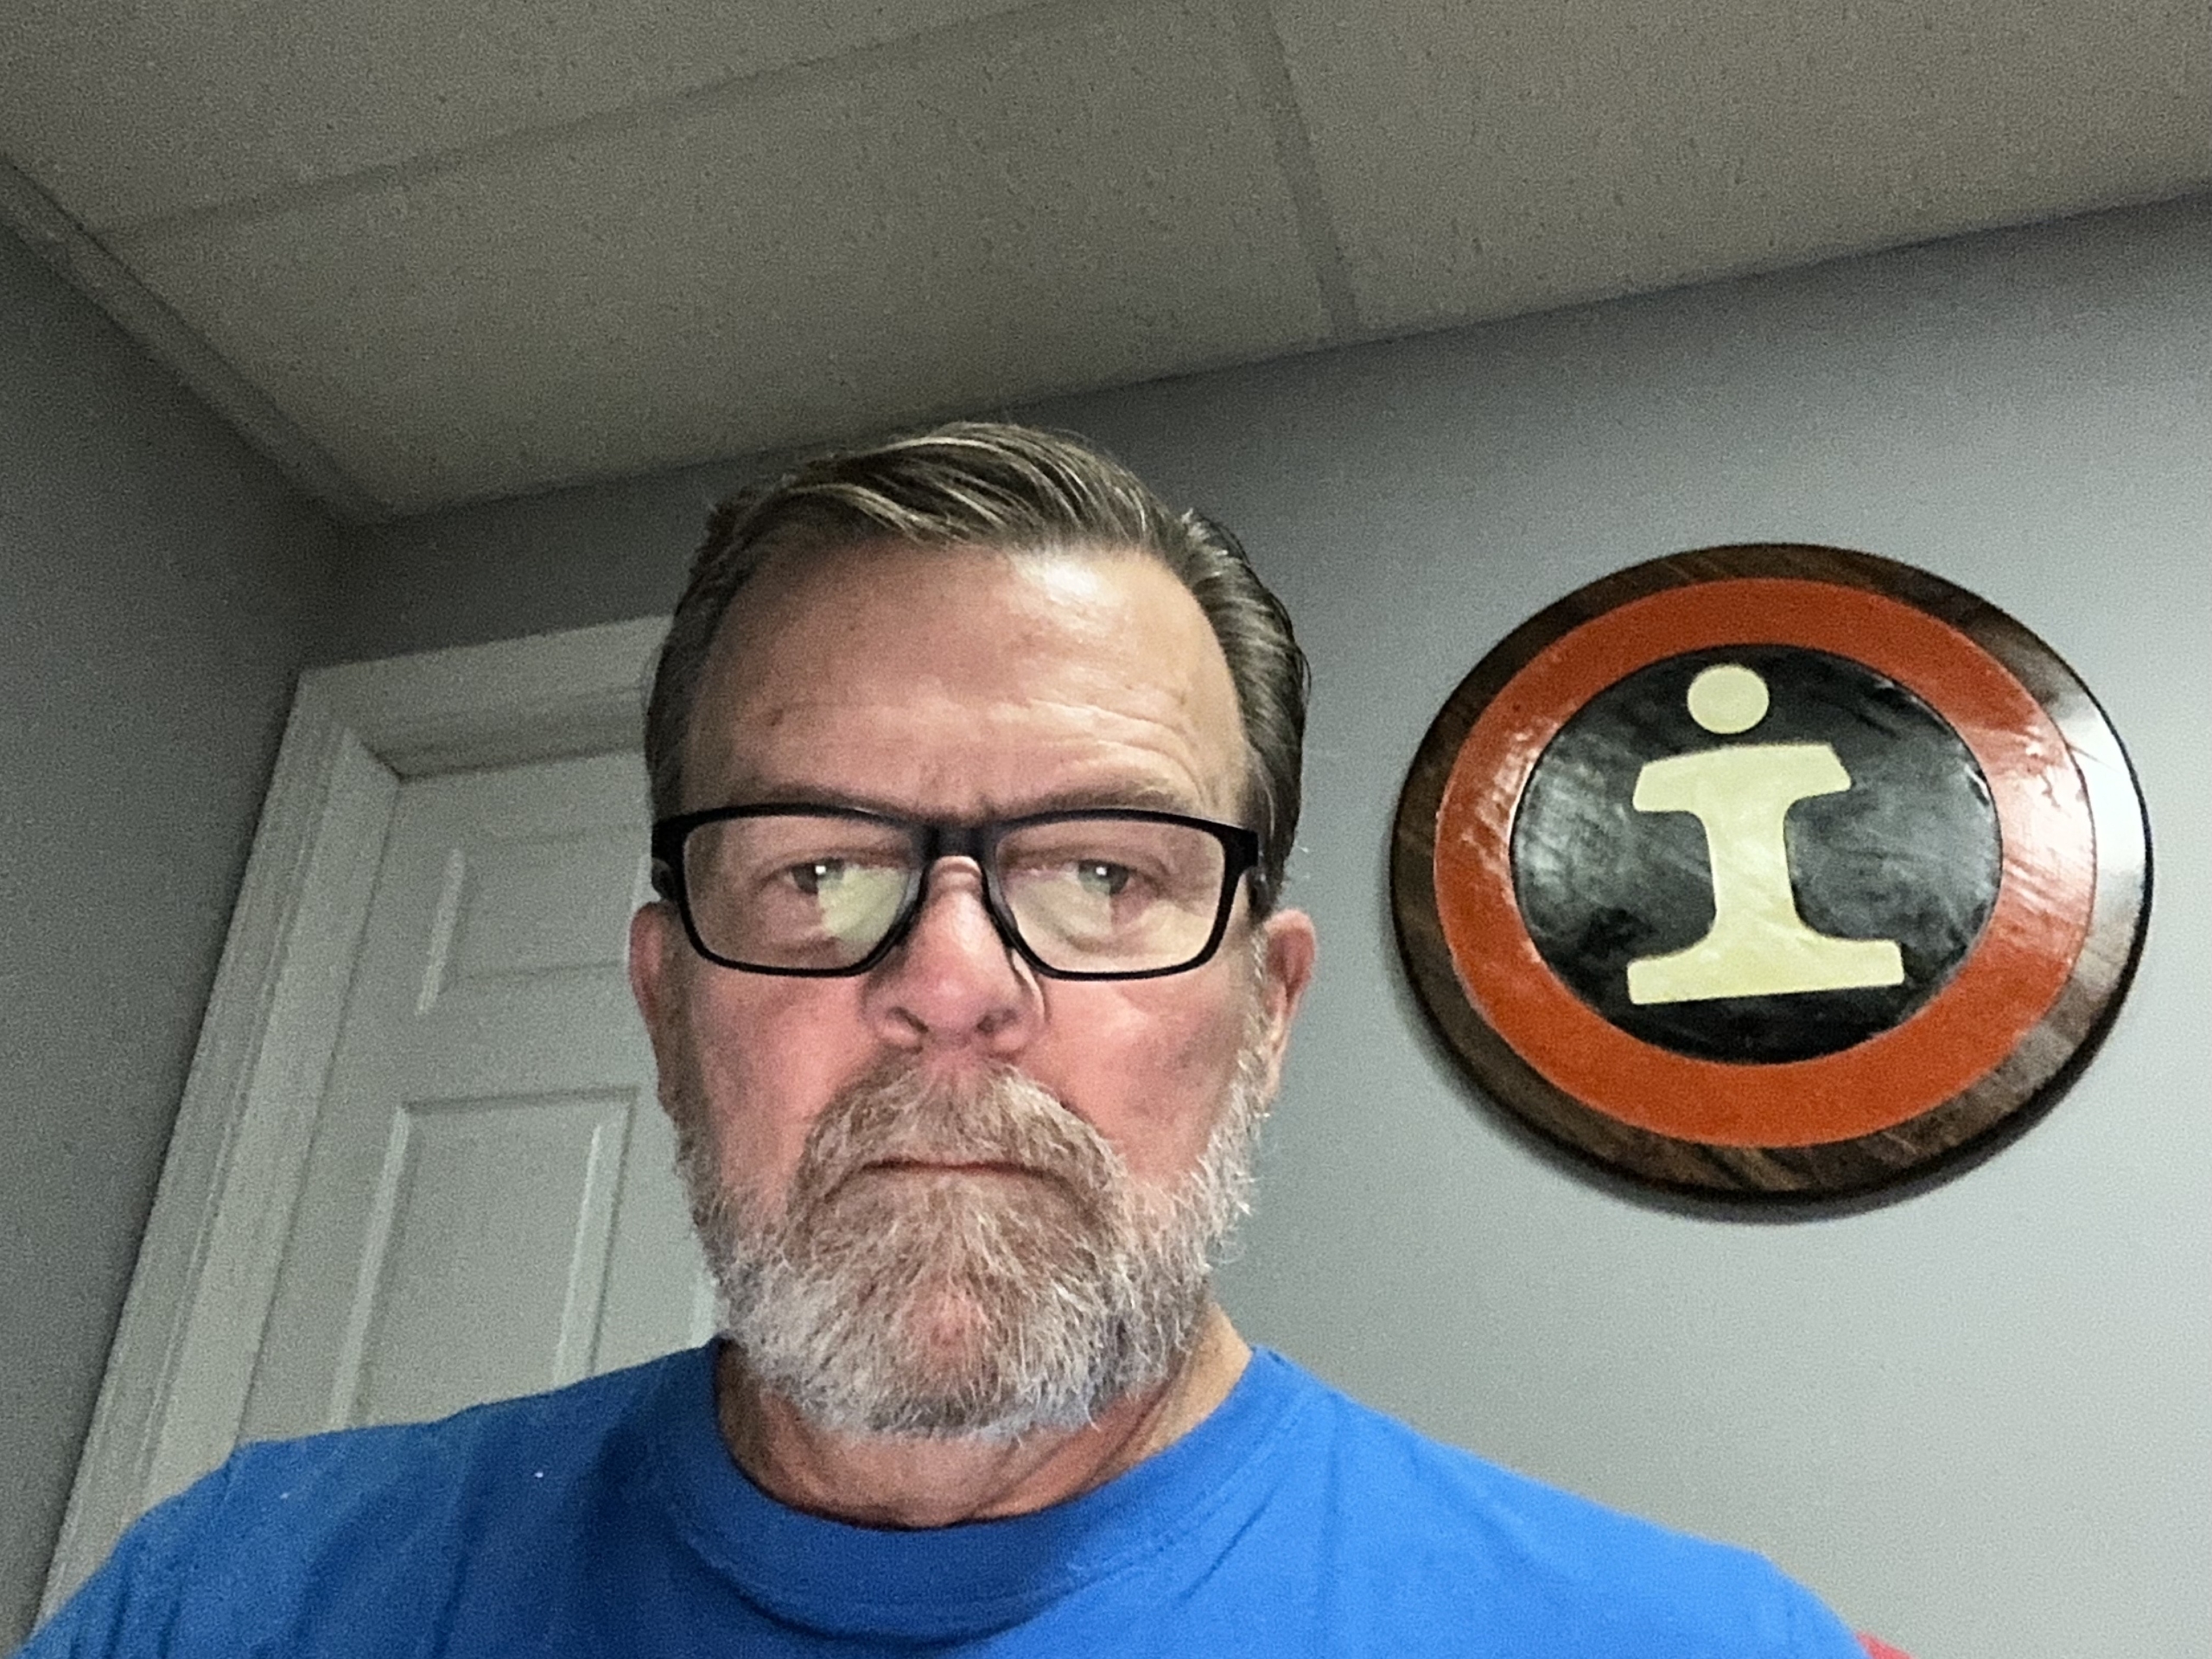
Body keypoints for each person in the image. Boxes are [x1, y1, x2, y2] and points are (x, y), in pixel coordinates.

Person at [23, 423, 1892, 1656]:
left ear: (1264, 1015)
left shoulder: (1702, 1648)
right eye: (817, 868)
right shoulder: (236, 1597)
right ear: (667, 1004)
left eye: (1102, 871)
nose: (950, 981)